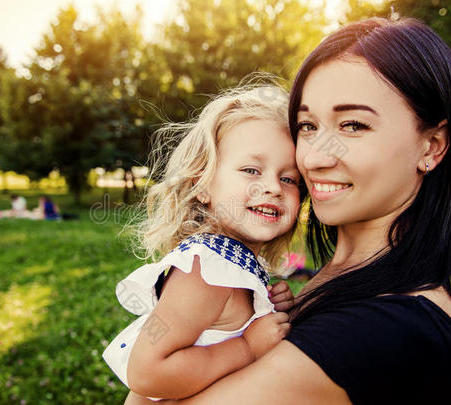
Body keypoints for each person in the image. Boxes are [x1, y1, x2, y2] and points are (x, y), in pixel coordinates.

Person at [125, 16, 451, 405]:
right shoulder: (332, 279)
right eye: (308, 126)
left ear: (431, 146)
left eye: (353, 125)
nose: (314, 157)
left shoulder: (390, 329)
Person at [102, 85, 305, 401]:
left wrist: (265, 306)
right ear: (203, 185)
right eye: (251, 170)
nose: (272, 187)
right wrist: (247, 345)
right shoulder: (206, 269)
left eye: (289, 178)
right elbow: (148, 372)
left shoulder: (232, 267)